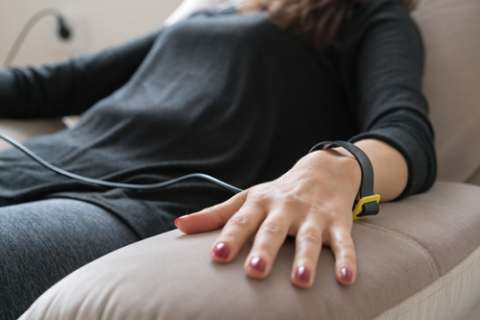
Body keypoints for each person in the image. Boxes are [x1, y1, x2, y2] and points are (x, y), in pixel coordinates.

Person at [0, 0, 436, 318]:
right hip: (36, 162)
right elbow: (56, 83)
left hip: (125, 201)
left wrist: (334, 167)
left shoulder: (367, 16)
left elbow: (404, 132)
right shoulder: (213, 16)